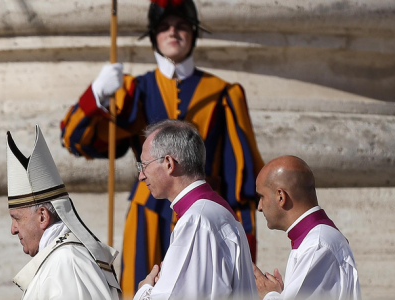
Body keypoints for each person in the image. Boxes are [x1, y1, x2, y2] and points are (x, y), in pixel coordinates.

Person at [60, 0, 263, 296]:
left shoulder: (224, 94)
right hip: (148, 215)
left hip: (204, 214)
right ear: (153, 34)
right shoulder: (136, 90)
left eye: (181, 26)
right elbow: (76, 139)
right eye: (164, 26)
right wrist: (97, 96)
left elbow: (240, 174)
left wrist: (244, 240)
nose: (173, 32)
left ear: (193, 33)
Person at [133, 119, 257, 300]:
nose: (141, 176)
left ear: (168, 163)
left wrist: (144, 290)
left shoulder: (196, 220)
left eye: (144, 165)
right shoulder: (215, 211)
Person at [7, 125, 120, 300]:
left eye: (17, 219)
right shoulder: (58, 259)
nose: (13, 229)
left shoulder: (68, 262)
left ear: (43, 216)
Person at [252, 156, 361, 300]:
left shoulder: (317, 245)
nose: (259, 207)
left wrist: (267, 294)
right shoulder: (315, 240)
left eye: (262, 197)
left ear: (280, 196)